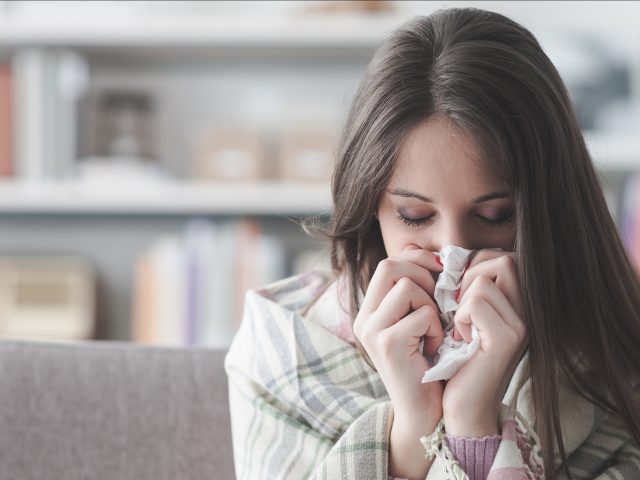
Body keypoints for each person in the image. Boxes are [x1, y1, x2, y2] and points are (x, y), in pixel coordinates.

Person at [225, 7, 640, 480]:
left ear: (551, 207)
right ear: (370, 205)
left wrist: (472, 423)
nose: (453, 253)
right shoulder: (284, 349)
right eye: (414, 216)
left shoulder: (611, 355)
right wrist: (413, 428)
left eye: (495, 216)